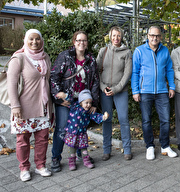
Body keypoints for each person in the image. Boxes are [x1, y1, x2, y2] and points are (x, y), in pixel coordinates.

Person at [50, 30, 100, 172]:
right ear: (74, 42)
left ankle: (80, 154)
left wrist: (94, 103)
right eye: (78, 40)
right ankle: (55, 158)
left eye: (84, 40)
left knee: (81, 128)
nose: (81, 43)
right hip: (67, 101)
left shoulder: (91, 59)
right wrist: (59, 96)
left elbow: (95, 82)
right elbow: (54, 77)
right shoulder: (65, 56)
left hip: (83, 103)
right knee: (62, 128)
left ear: (87, 43)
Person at [8, 29, 53, 181]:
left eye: (38, 39)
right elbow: (11, 85)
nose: (35, 42)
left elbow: (48, 81)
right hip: (24, 107)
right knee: (23, 140)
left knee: (42, 139)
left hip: (43, 106)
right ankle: (24, 168)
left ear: (42, 41)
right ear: (25, 40)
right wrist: (15, 106)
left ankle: (40, 165)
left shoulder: (45, 57)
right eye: (31, 39)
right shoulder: (19, 58)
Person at [131, 26, 177, 160]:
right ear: (147, 36)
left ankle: (165, 146)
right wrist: (135, 90)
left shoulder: (165, 50)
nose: (154, 38)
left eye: (157, 36)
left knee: (165, 120)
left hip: (162, 91)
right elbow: (135, 72)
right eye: (152, 35)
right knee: (146, 120)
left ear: (160, 37)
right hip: (145, 91)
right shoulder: (139, 51)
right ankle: (149, 147)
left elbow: (169, 70)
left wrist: (172, 86)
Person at [97, 26, 133, 161]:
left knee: (123, 119)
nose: (116, 38)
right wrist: (102, 87)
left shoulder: (127, 52)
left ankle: (127, 150)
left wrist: (117, 88)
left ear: (121, 36)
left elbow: (127, 73)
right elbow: (97, 71)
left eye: (118, 36)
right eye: (113, 35)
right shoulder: (103, 51)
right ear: (110, 37)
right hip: (105, 91)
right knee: (107, 119)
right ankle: (106, 150)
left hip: (120, 91)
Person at [56, 89, 108, 170]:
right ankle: (72, 162)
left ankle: (86, 161)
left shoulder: (88, 111)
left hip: (82, 133)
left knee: (84, 148)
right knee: (72, 149)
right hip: (72, 133)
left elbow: (96, 116)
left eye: (90, 103)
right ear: (81, 102)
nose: (88, 105)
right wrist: (64, 95)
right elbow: (69, 99)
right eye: (86, 102)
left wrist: (103, 117)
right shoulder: (74, 106)